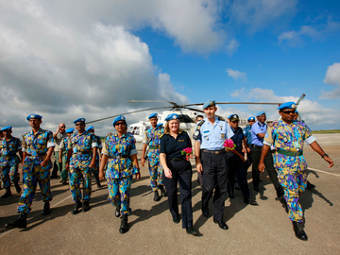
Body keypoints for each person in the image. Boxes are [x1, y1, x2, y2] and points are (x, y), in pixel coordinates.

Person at [259, 102, 334, 240]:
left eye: (293, 112)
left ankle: (288, 199)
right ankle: (297, 222)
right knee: (292, 192)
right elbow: (266, 145)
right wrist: (261, 161)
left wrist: (324, 155)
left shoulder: (301, 126)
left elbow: (312, 142)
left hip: (300, 163)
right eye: (288, 112)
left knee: (301, 188)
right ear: (280, 113)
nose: (291, 114)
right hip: (283, 164)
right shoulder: (274, 127)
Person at [6, 114, 55, 229]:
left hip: (42, 161)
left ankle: (46, 203)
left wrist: (47, 159)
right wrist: (23, 164)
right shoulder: (25, 136)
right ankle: (22, 216)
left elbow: (51, 147)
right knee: (27, 189)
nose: (33, 122)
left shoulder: (47, 133)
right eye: (31, 121)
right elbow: (24, 151)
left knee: (44, 185)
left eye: (35, 120)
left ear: (40, 121)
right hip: (29, 164)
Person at [193, 100, 234, 230]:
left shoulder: (224, 124)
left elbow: (229, 141)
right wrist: (198, 161)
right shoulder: (200, 125)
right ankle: (204, 205)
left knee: (222, 189)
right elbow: (197, 144)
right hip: (206, 157)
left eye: (211, 109)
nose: (209, 111)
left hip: (221, 156)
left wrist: (229, 147)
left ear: (215, 109)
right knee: (208, 187)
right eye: (206, 109)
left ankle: (219, 217)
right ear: (204, 111)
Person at [99, 115, 141, 234]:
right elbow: (105, 155)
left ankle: (124, 219)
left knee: (125, 195)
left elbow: (133, 155)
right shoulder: (109, 139)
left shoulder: (130, 138)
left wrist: (137, 169)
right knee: (113, 196)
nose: (120, 126)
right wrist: (100, 170)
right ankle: (118, 206)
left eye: (122, 123)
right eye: (117, 124)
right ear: (114, 126)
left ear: (125, 125)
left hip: (126, 170)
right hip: (112, 171)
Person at [160, 113, 198, 236]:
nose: (174, 125)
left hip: (184, 168)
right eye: (172, 123)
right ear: (168, 125)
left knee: (186, 194)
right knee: (171, 193)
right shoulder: (164, 137)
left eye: (176, 123)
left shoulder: (184, 135)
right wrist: (165, 168)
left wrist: (189, 154)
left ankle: (189, 224)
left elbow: (188, 148)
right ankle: (174, 212)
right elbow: (162, 154)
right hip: (170, 168)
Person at [66, 118, 97, 214]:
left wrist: (93, 161)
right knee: (73, 183)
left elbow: (94, 149)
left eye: (81, 124)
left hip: (86, 160)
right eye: (77, 125)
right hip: (74, 162)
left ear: (84, 125)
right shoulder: (72, 137)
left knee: (86, 183)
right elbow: (69, 150)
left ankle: (86, 201)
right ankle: (77, 201)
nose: (79, 126)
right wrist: (67, 162)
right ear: (75, 126)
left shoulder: (90, 136)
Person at [250, 111, 284, 201]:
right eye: (261, 116)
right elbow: (261, 135)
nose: (264, 118)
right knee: (256, 168)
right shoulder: (255, 126)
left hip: (266, 148)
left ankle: (279, 192)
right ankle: (256, 185)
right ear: (257, 118)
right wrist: (271, 133)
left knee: (271, 169)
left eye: (264, 116)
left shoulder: (266, 126)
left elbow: (269, 136)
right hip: (256, 149)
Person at [227, 114, 258, 206]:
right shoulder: (227, 131)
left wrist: (245, 147)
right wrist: (241, 156)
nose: (236, 123)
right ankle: (230, 192)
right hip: (229, 157)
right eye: (233, 122)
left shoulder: (240, 130)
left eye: (237, 121)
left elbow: (243, 139)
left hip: (239, 157)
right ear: (229, 122)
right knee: (230, 177)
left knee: (242, 178)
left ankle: (247, 198)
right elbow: (229, 146)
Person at [141, 113, 166, 201]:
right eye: (152, 120)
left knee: (161, 172)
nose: (153, 121)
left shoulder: (163, 130)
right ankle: (155, 191)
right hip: (151, 154)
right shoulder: (147, 132)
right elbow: (145, 144)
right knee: (153, 174)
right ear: (150, 121)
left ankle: (161, 186)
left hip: (161, 154)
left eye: (155, 119)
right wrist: (143, 157)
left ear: (157, 120)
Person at [0, 126, 22, 198]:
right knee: (4, 176)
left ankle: (16, 184)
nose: (6, 133)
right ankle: (8, 191)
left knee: (13, 175)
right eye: (4, 131)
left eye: (7, 131)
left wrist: (23, 160)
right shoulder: (1, 141)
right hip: (3, 160)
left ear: (10, 131)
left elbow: (20, 150)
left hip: (13, 159)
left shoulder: (16, 140)